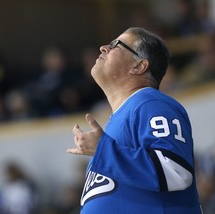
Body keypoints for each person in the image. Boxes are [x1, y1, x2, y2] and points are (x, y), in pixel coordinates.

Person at [67, 27, 202, 213]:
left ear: (139, 66)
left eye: (116, 45)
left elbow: (175, 172)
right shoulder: (121, 120)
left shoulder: (150, 102)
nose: (103, 47)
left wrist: (102, 150)